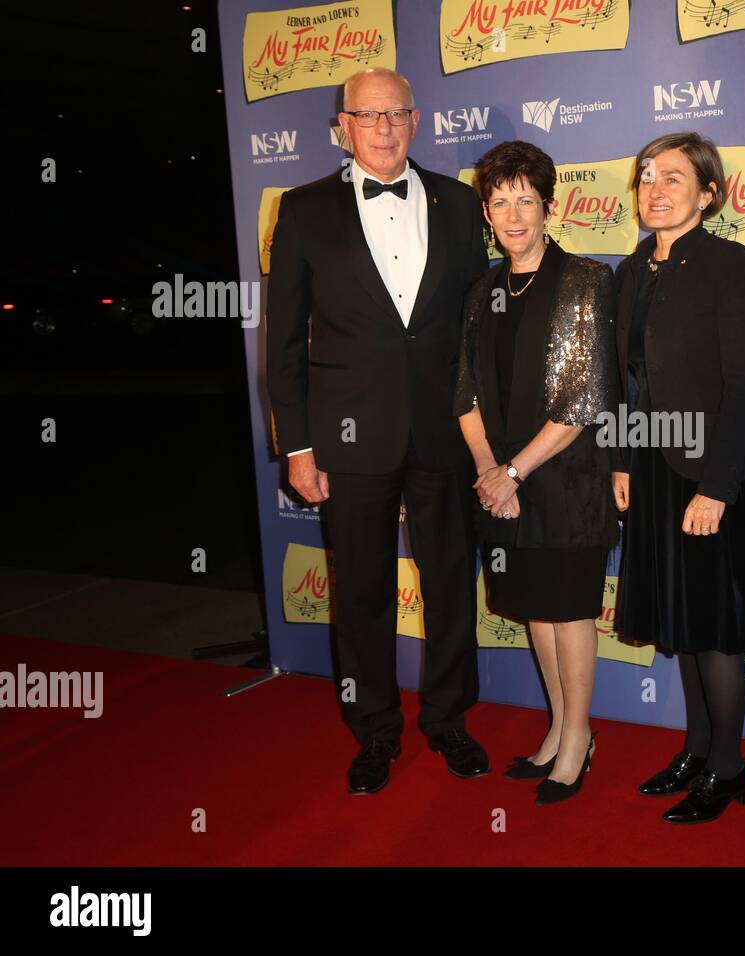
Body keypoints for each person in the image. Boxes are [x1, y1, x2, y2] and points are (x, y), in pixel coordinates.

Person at [267, 67, 490, 795]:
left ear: (416, 120)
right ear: (344, 127)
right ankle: (374, 732)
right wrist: (298, 445)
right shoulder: (303, 210)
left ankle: (449, 720)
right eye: (368, 115)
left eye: (396, 113)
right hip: (347, 438)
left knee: (451, 585)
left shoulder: (461, 204)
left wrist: (487, 440)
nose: (384, 128)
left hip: (445, 434)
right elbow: (283, 341)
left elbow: (477, 333)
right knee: (361, 594)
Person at [612, 132, 745, 824]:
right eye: (648, 178)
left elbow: (742, 387)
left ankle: (729, 766)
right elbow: (626, 382)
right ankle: (697, 749)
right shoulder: (631, 271)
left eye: (674, 179)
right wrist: (623, 459)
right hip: (655, 469)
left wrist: (716, 487)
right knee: (680, 621)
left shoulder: (728, 265)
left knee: (715, 627)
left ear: (708, 194)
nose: (656, 191)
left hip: (714, 472)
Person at [454, 141, 619, 805]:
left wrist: (515, 472)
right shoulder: (482, 292)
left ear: (550, 206)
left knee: (568, 609)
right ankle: (557, 727)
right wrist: (489, 471)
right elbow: (463, 389)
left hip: (566, 478)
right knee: (536, 613)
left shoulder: (585, 279)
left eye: (526, 200)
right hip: (503, 484)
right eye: (500, 203)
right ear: (486, 213)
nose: (514, 216)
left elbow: (585, 396)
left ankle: (579, 736)